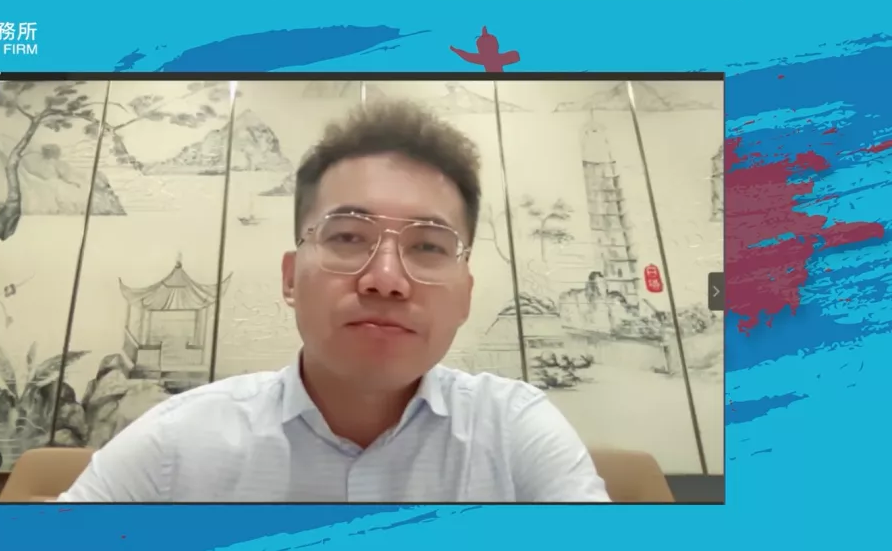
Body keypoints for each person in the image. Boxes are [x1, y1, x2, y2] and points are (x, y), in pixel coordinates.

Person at [57, 99, 611, 503]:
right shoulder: (176, 445)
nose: (386, 280)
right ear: (290, 277)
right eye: (347, 236)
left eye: (428, 246)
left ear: (465, 295)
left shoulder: (515, 432)